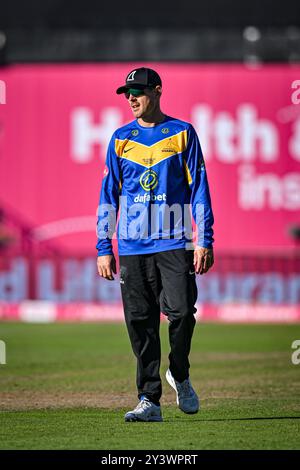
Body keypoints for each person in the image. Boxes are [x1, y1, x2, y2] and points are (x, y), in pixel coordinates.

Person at [96, 67, 214, 422]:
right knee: (140, 322)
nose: (131, 98)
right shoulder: (120, 138)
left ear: (158, 91)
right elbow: (108, 196)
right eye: (127, 93)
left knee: (180, 314)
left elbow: (199, 191)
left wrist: (204, 239)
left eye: (138, 91)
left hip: (174, 243)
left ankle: (179, 373)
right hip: (132, 248)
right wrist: (104, 246)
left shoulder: (182, 133)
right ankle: (149, 401)